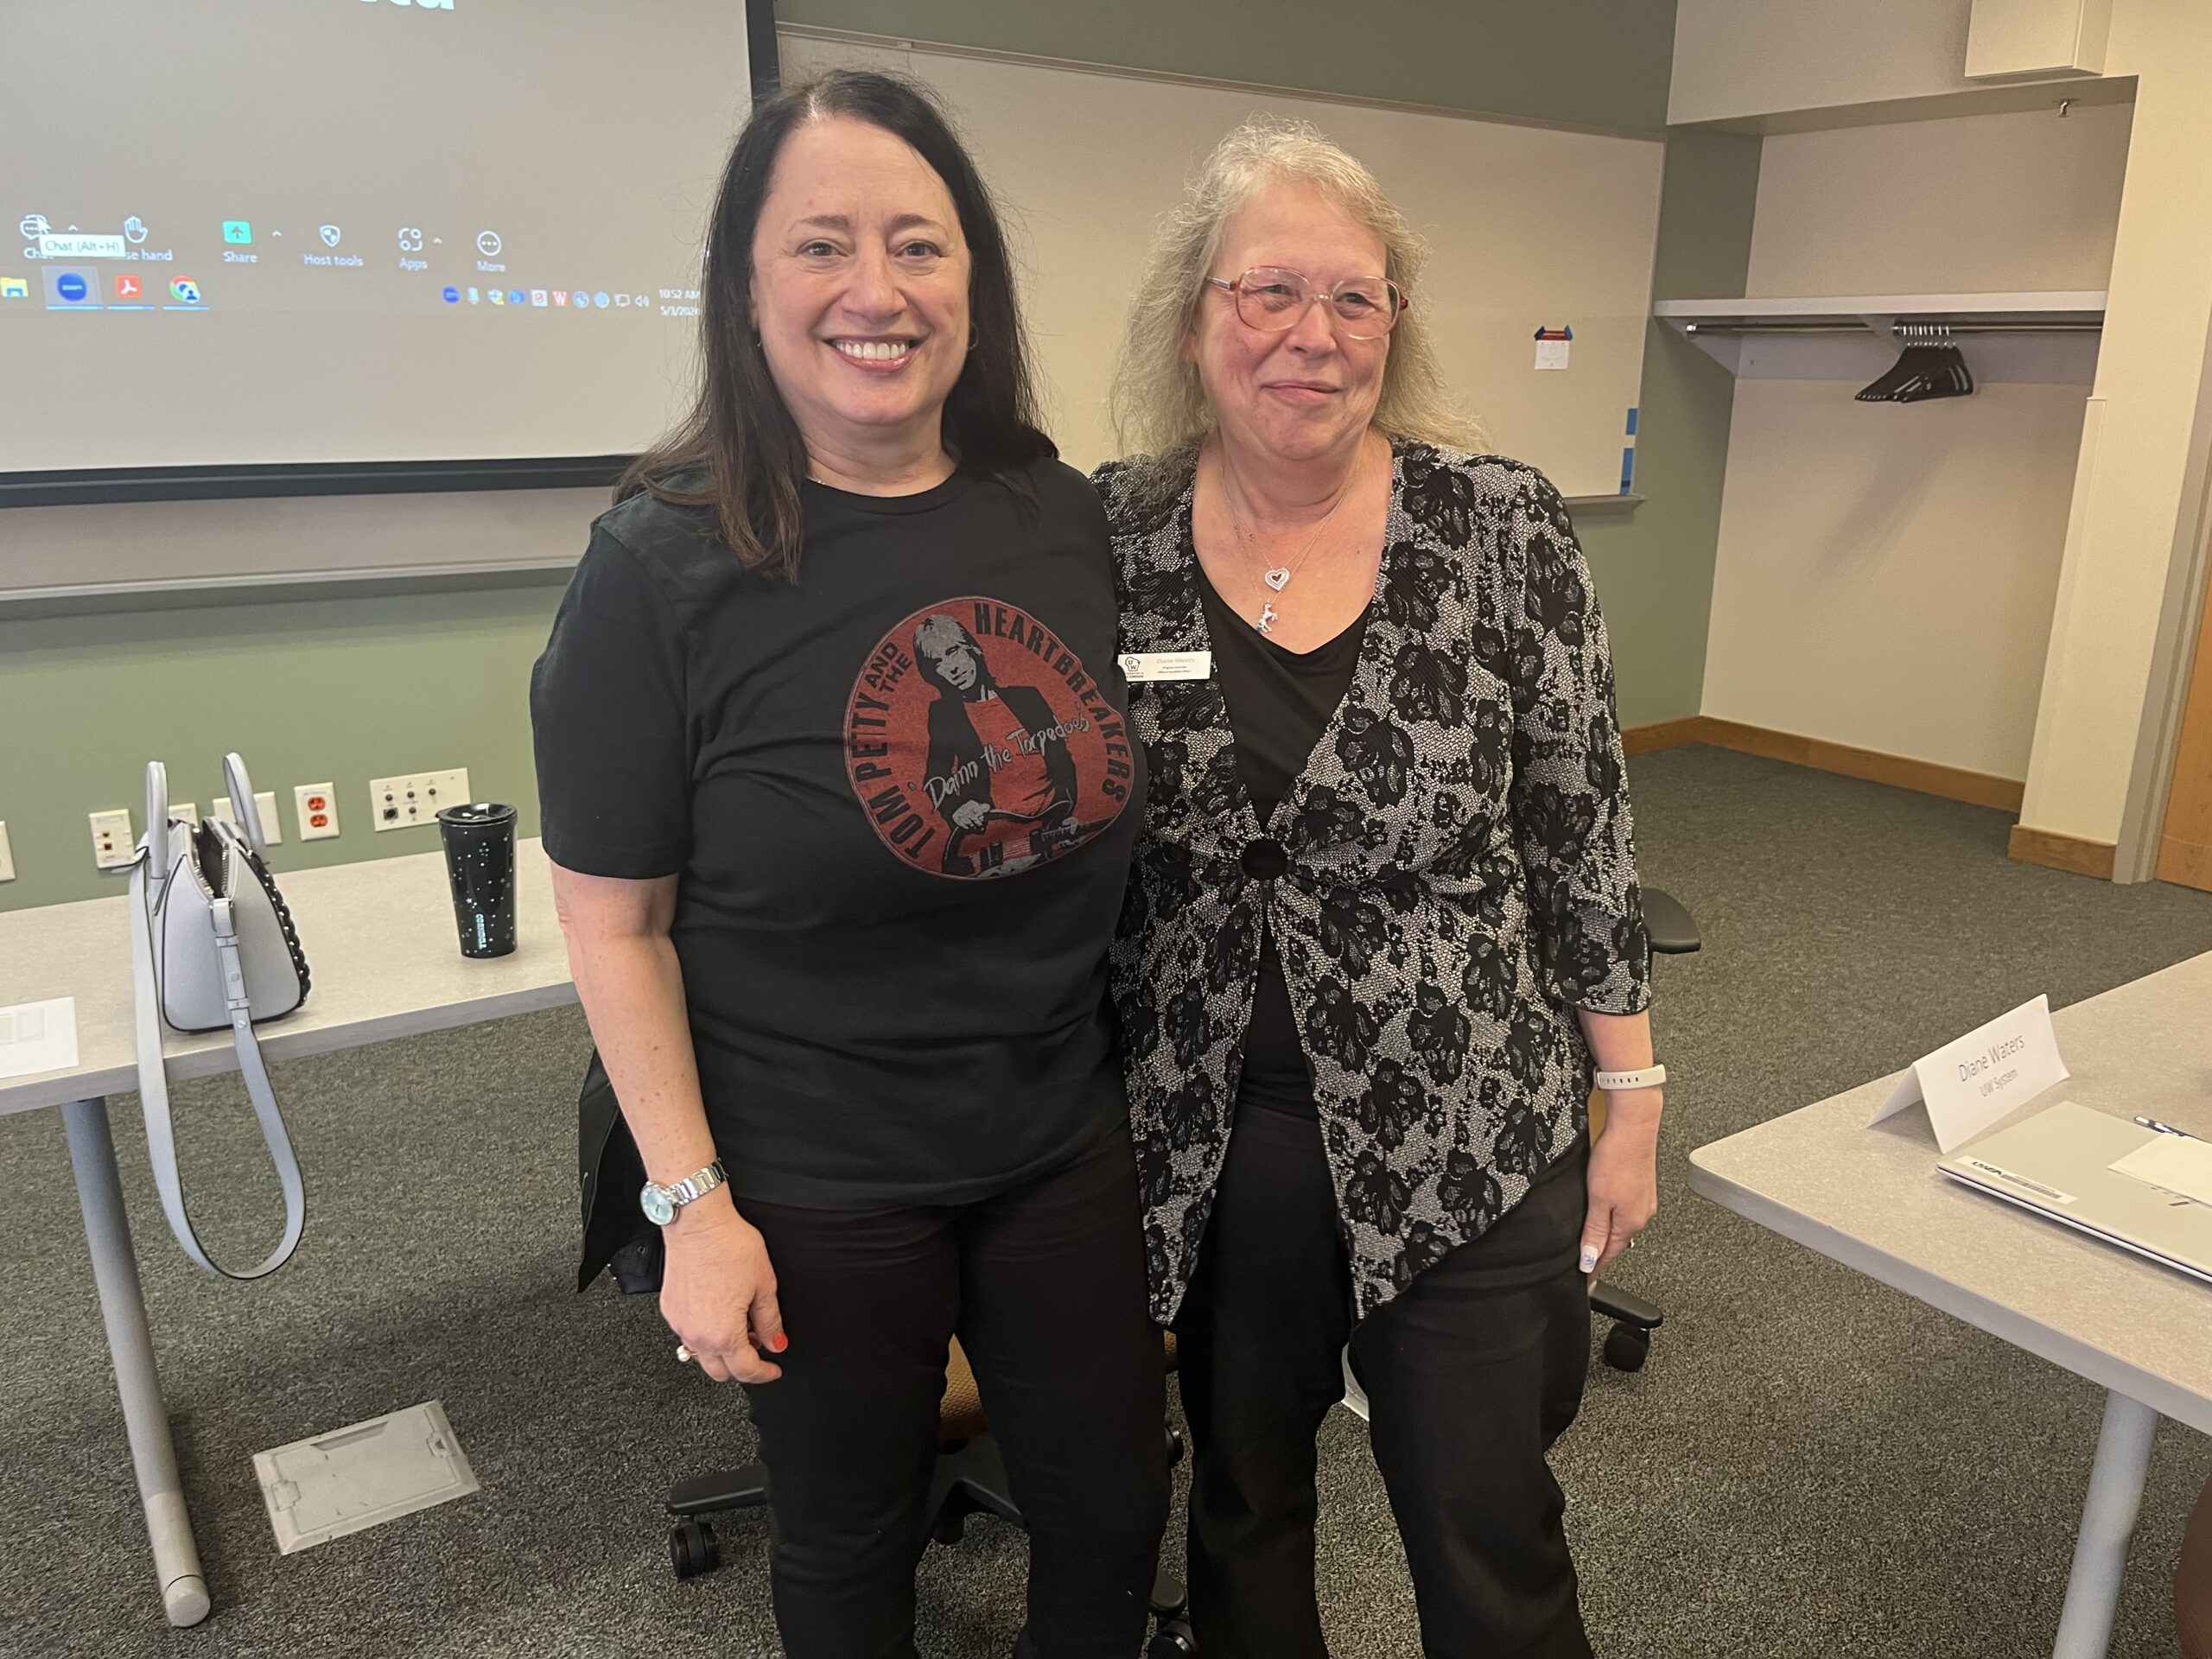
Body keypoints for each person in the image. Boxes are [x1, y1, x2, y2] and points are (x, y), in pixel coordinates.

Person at [530, 70, 1163, 1659]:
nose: (875, 290)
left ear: (973, 280)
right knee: (849, 1538)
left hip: (1054, 1130)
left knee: (1111, 1507)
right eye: (821, 246)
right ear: (745, 288)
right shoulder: (658, 564)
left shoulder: (1056, 514)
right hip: (814, 1165)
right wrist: (692, 1210)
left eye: (918, 244)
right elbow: (614, 927)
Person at [1095, 118, 1662, 1659]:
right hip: (1212, 1131)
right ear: (1194, 319)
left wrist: (1631, 1099)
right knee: (1243, 1504)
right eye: (1269, 291)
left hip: (1466, 1117)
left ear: (1394, 325)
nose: (1314, 334)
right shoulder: (1112, 534)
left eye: (1355, 297)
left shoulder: (1500, 525)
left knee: (1488, 1524)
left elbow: (1583, 826)